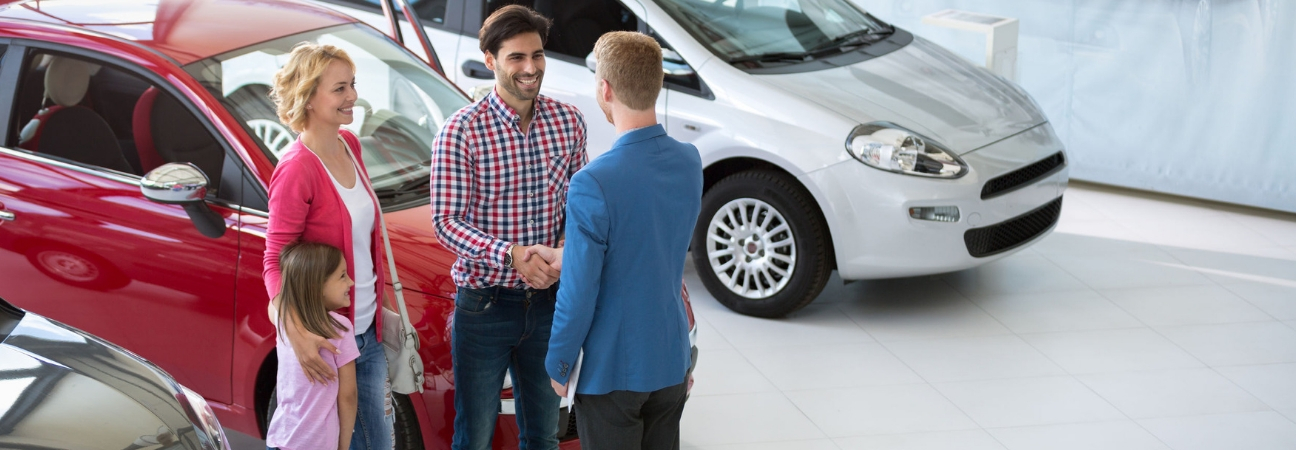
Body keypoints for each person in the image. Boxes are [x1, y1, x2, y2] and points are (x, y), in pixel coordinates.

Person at [429, 5, 587, 449]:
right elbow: (446, 223)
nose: (531, 68)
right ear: (490, 59)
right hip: (484, 306)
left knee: (544, 435)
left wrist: (559, 252)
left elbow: (581, 208)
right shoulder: (461, 132)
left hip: (551, 303)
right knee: (474, 436)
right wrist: (513, 255)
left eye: (537, 55)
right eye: (516, 57)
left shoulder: (568, 122)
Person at [541, 31, 702, 450]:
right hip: (669, 357)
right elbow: (649, 243)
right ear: (657, 83)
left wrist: (558, 362)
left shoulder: (594, 182)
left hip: (612, 371)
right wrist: (568, 255)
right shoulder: (690, 161)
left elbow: (578, 293)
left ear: (604, 88)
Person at [263, 42, 392, 450]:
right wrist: (295, 332)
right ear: (308, 96)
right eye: (340, 89)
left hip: (366, 329)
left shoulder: (350, 145)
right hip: (331, 338)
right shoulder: (296, 170)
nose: (353, 96)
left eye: (352, 84)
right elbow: (273, 261)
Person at [266, 242, 360, 450]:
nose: (351, 282)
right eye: (342, 276)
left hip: (279, 439)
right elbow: (348, 395)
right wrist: (343, 447)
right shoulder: (339, 328)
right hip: (318, 444)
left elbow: (272, 305)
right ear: (318, 286)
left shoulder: (284, 322)